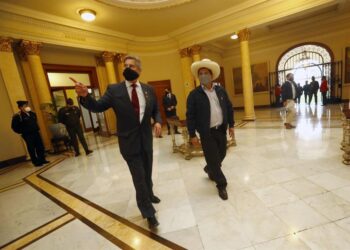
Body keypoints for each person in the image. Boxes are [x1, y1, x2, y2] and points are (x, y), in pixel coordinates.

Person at [74, 55, 162, 229]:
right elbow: (98, 106)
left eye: (132, 66)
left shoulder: (148, 89)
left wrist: (158, 120)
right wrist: (85, 96)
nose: (127, 68)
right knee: (138, 177)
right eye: (125, 65)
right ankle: (148, 212)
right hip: (128, 142)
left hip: (146, 140)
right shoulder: (114, 90)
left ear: (139, 70)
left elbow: (156, 110)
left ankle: (149, 193)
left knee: (147, 171)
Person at [186, 59, 234, 200]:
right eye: (200, 73)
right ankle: (221, 184)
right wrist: (192, 134)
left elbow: (229, 108)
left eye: (206, 73)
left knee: (222, 154)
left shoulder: (220, 90)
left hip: (221, 130)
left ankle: (209, 168)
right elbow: (190, 115)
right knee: (213, 158)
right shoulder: (194, 95)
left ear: (211, 75)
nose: (203, 76)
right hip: (206, 132)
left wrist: (231, 125)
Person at [11, 100, 50, 167]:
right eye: (25, 106)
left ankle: (42, 159)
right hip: (28, 135)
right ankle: (35, 162)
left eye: (27, 105)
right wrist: (23, 131)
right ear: (20, 107)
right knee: (31, 148)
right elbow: (14, 127)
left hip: (36, 132)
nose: (27, 107)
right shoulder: (18, 116)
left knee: (40, 146)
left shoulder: (32, 114)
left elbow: (35, 122)